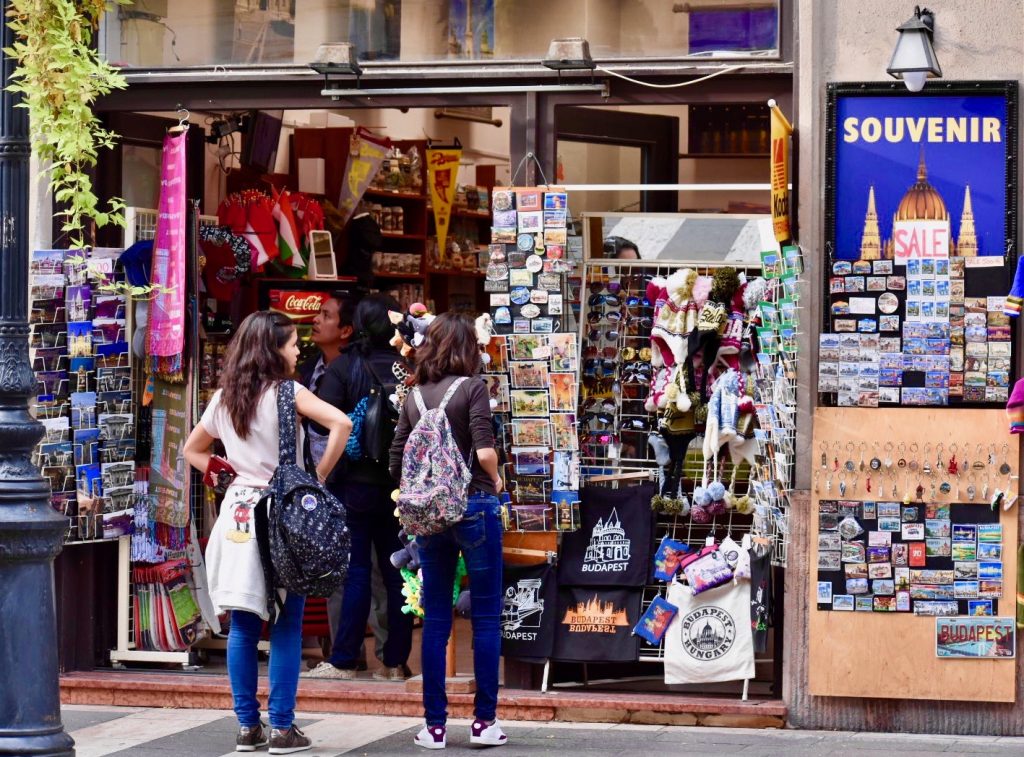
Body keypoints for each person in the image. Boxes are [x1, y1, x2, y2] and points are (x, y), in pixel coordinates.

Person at [183, 311, 352, 755]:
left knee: (242, 624)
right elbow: (342, 424)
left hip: (237, 516)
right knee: (286, 623)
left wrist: (226, 478)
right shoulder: (287, 392)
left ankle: (246, 727)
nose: (299, 350)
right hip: (281, 515)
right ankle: (282, 727)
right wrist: (316, 477)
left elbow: (192, 450)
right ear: (273, 348)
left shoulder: (225, 397)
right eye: (293, 343)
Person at [389, 313, 507, 750]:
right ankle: (484, 724)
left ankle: (434, 728)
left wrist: (410, 494)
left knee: (435, 619)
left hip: (429, 515)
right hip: (474, 504)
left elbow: (397, 454)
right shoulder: (473, 388)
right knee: (487, 617)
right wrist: (494, 481)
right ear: (467, 349)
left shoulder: (414, 396)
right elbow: (485, 448)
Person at [304, 293, 414, 681]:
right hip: (399, 487)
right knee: (399, 572)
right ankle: (396, 661)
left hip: (351, 484)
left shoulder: (345, 368)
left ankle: (344, 659)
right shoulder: (408, 366)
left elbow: (318, 423)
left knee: (354, 572)